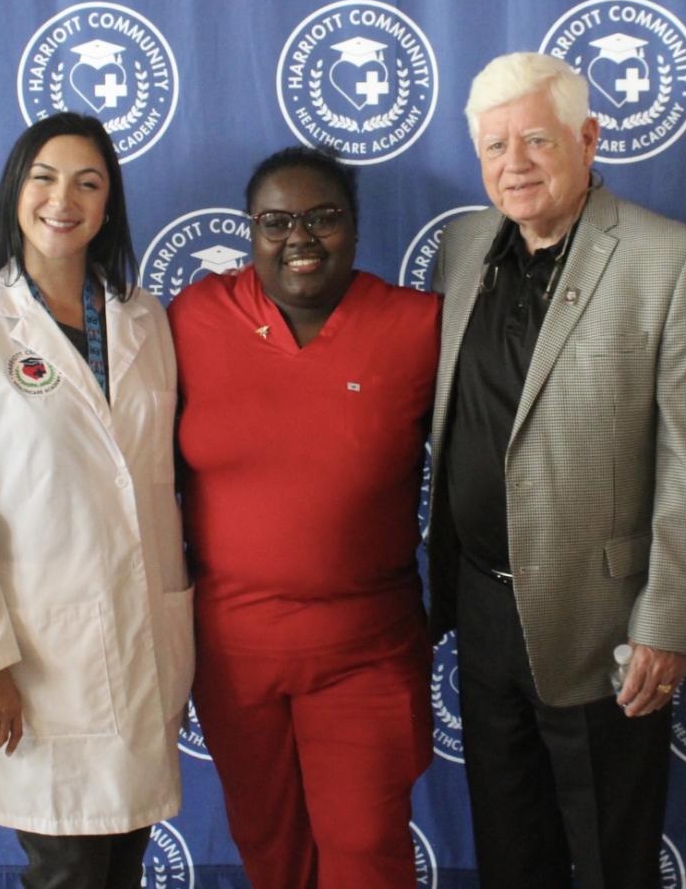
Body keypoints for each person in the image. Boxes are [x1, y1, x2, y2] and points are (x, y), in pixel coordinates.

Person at [426, 51, 686, 888]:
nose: (514, 163)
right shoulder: (461, 250)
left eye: (536, 139)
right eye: (495, 147)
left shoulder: (670, 261)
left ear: (589, 137)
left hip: (606, 619)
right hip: (483, 609)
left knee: (610, 855)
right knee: (508, 845)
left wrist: (667, 621)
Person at [0, 112, 193, 889]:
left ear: (109, 205)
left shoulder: (143, 318)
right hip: (37, 656)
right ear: (15, 191)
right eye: (45, 177)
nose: (63, 199)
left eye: (88, 182)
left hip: (142, 642)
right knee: (66, 866)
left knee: (124, 862)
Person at [168, 145, 438, 888]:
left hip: (364, 647)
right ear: (250, 230)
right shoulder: (196, 317)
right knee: (269, 846)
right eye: (276, 221)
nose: (300, 238)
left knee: (364, 853)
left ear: (355, 224)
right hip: (233, 649)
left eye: (323, 217)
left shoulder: (417, 326)